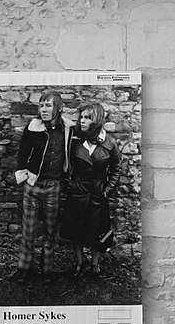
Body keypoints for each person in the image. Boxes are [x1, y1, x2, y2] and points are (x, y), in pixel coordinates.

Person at [11, 91, 74, 282]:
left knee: (50, 231)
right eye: (41, 106)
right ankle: (24, 269)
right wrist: (24, 178)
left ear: (59, 108)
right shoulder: (33, 127)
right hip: (33, 185)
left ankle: (47, 271)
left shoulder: (69, 129)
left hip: (54, 187)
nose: (43, 109)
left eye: (48, 105)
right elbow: (23, 153)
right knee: (28, 231)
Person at [65, 101, 121, 276]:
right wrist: (70, 185)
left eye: (87, 118)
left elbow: (117, 168)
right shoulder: (75, 140)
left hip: (98, 192)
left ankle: (95, 264)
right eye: (81, 117)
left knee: (98, 229)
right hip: (77, 191)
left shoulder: (109, 143)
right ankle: (79, 262)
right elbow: (65, 163)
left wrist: (107, 190)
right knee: (76, 229)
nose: (82, 120)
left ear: (96, 120)